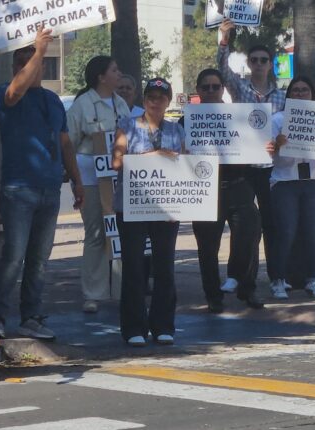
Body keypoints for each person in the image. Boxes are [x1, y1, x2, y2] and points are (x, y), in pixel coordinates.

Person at [0, 29, 84, 340]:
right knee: (13, 256)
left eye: (29, 62)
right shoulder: (6, 92)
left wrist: (77, 183)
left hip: (50, 188)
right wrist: (40, 51)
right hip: (19, 189)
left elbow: (66, 143)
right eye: (19, 63)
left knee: (39, 260)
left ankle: (31, 316)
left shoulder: (53, 100)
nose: (23, 67)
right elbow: (15, 92)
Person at [178, 69, 264, 311]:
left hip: (239, 185)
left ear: (223, 89)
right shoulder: (187, 119)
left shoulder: (238, 115)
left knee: (248, 239)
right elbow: (179, 152)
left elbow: (256, 145)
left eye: (216, 86)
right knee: (207, 248)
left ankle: (246, 287)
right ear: (198, 90)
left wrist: (265, 145)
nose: (211, 91)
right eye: (206, 87)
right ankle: (213, 296)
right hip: (205, 188)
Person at [111, 77, 184, 347]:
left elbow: (185, 165)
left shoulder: (177, 131)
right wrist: (154, 155)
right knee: (133, 266)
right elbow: (116, 161)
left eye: (161, 97)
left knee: (165, 266)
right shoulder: (127, 126)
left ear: (168, 101)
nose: (156, 101)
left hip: (166, 208)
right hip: (132, 206)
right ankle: (133, 327)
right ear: (144, 100)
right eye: (151, 96)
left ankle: (163, 325)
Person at [217, 19, 285, 288]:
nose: (258, 64)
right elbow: (222, 71)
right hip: (243, 168)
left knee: (271, 225)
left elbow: (286, 132)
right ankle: (238, 276)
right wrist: (225, 39)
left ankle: (277, 278)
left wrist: (278, 143)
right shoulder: (240, 89)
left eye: (263, 60)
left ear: (270, 64)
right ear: (249, 64)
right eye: (254, 60)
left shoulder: (281, 97)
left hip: (270, 168)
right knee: (244, 226)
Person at [67, 56, 130, 314]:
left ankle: (122, 290)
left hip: (118, 178)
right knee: (96, 234)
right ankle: (93, 293)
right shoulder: (82, 105)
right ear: (101, 77)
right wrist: (76, 180)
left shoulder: (121, 104)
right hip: (90, 178)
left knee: (118, 232)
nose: (119, 74)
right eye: (114, 70)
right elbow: (68, 144)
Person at [268, 76, 315, 299]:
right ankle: (278, 280)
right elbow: (265, 153)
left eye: (305, 90)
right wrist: (277, 145)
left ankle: (312, 280)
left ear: (312, 94)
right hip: (285, 180)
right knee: (286, 232)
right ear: (289, 94)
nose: (300, 94)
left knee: (312, 233)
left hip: (313, 181)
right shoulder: (277, 120)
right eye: (296, 90)